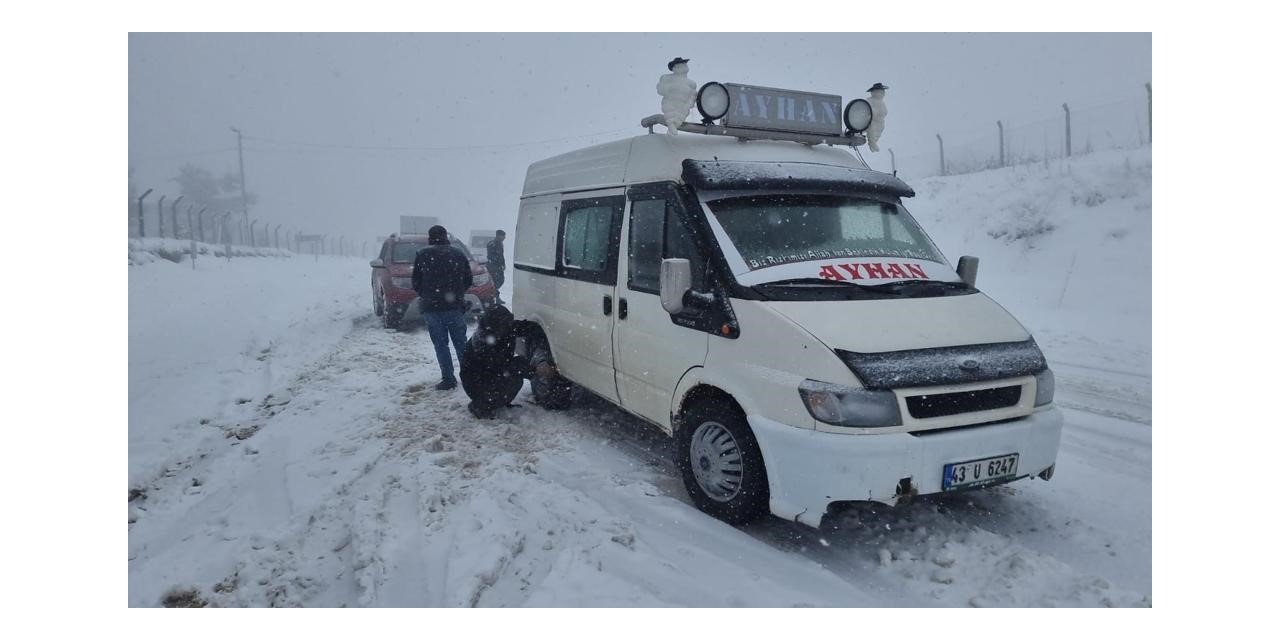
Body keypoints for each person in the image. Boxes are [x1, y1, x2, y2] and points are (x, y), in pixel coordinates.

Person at [412, 225, 473, 390]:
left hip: (432, 308)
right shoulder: (458, 254)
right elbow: (468, 279)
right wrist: (456, 295)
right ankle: (470, 376)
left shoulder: (423, 255)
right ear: (446, 237)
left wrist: (428, 295)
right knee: (461, 343)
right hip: (454, 307)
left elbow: (416, 282)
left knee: (440, 345)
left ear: (430, 238)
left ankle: (448, 378)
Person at [460, 305, 531, 419]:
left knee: (517, 369)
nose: (510, 325)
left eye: (509, 321)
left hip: (491, 377)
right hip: (478, 385)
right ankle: (481, 405)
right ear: (496, 325)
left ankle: (498, 400)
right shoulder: (484, 343)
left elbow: (526, 327)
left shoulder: (503, 328)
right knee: (518, 367)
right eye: (506, 323)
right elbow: (502, 368)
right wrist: (536, 370)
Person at [486, 230, 507, 304]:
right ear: (498, 235)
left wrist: (503, 264)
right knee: (495, 282)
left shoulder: (500, 244)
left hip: (498, 267)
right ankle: (495, 297)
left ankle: (495, 295)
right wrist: (497, 265)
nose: (504, 237)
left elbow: (501, 256)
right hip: (493, 267)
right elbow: (492, 257)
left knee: (500, 281)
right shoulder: (492, 244)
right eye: (503, 236)